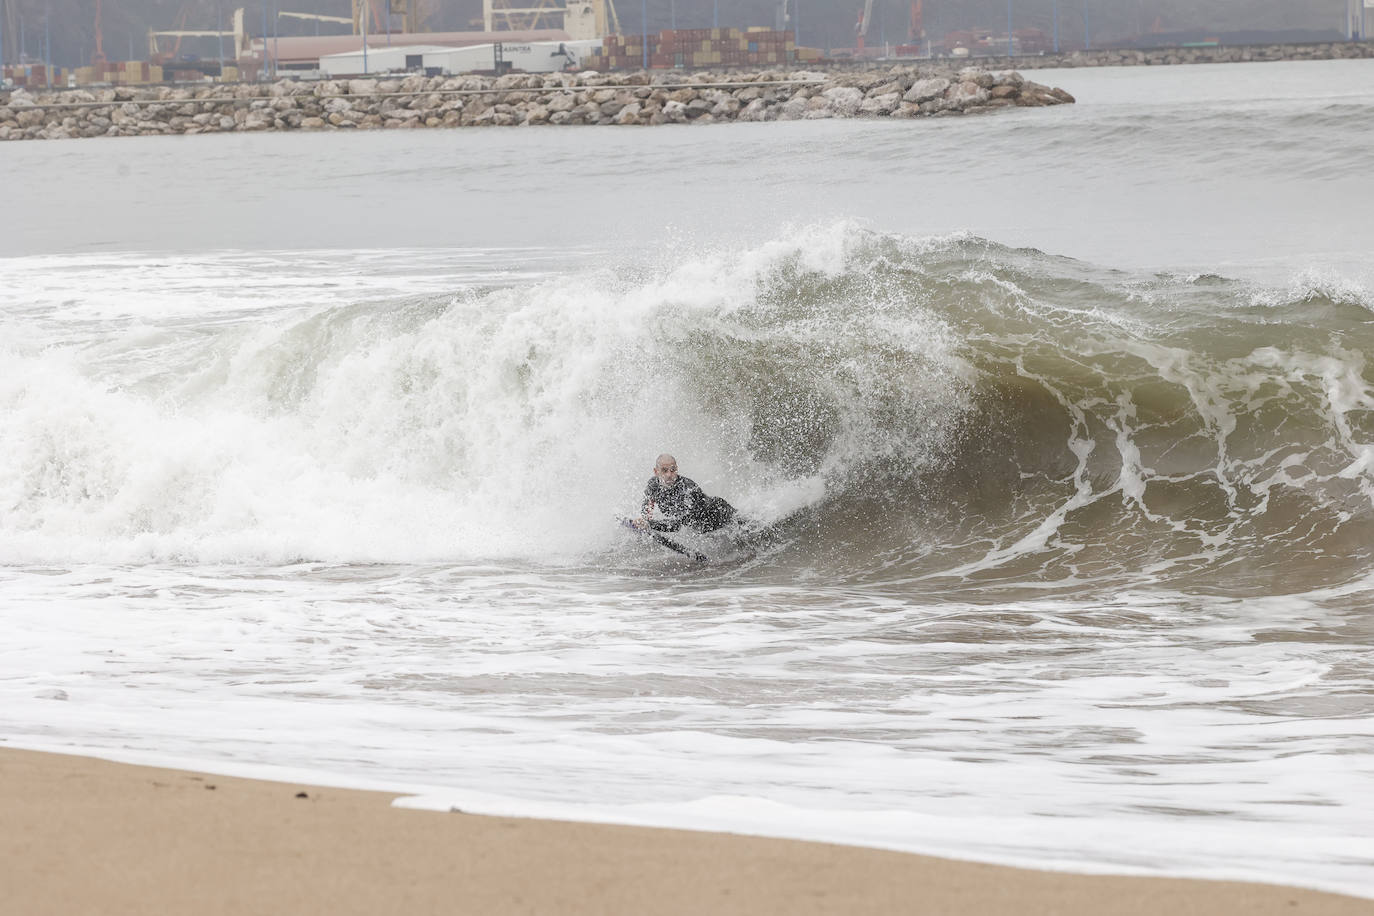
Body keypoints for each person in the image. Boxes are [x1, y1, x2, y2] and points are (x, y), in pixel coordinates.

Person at [632, 454, 736, 534]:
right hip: (701, 525)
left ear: (676, 469)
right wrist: (643, 522)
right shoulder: (652, 485)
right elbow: (646, 512)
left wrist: (650, 525)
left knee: (742, 528)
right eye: (664, 470)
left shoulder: (688, 489)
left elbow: (678, 526)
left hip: (719, 513)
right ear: (656, 471)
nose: (669, 475)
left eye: (673, 470)